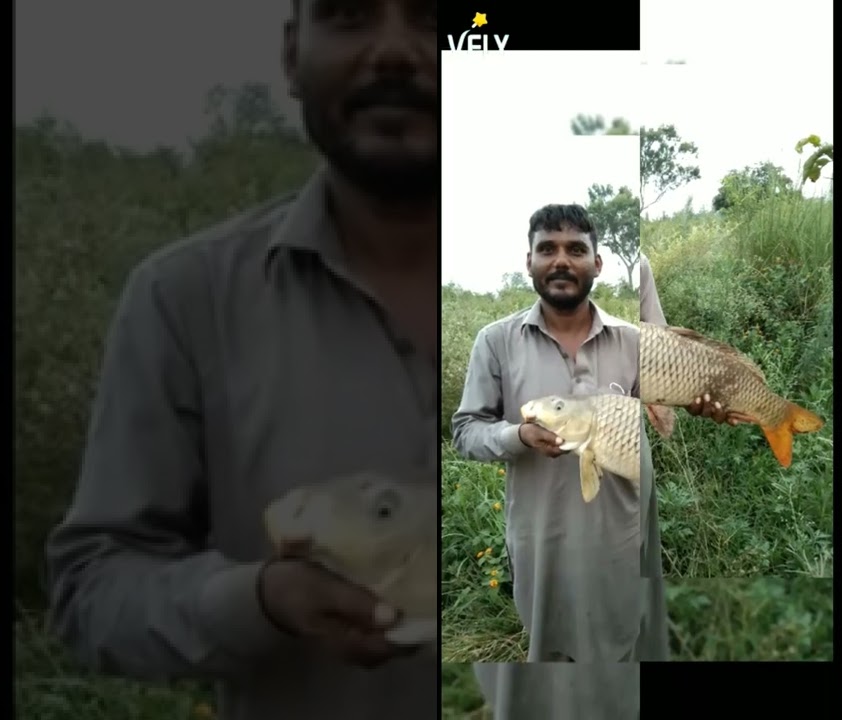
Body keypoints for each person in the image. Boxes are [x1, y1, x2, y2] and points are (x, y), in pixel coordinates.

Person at [44, 3, 439, 719]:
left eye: (436, 17)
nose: (394, 50)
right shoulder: (184, 300)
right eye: (349, 14)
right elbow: (93, 587)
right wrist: (256, 601)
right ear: (292, 54)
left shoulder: (593, 287)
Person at [451, 206, 735, 719]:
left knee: (624, 650)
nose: (562, 260)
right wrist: (517, 434)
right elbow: (466, 431)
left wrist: (704, 400)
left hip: (622, 528)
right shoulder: (495, 341)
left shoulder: (634, 340)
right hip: (544, 533)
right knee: (551, 663)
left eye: (576, 249)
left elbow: (683, 394)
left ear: (598, 263)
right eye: (548, 249)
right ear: (529, 261)